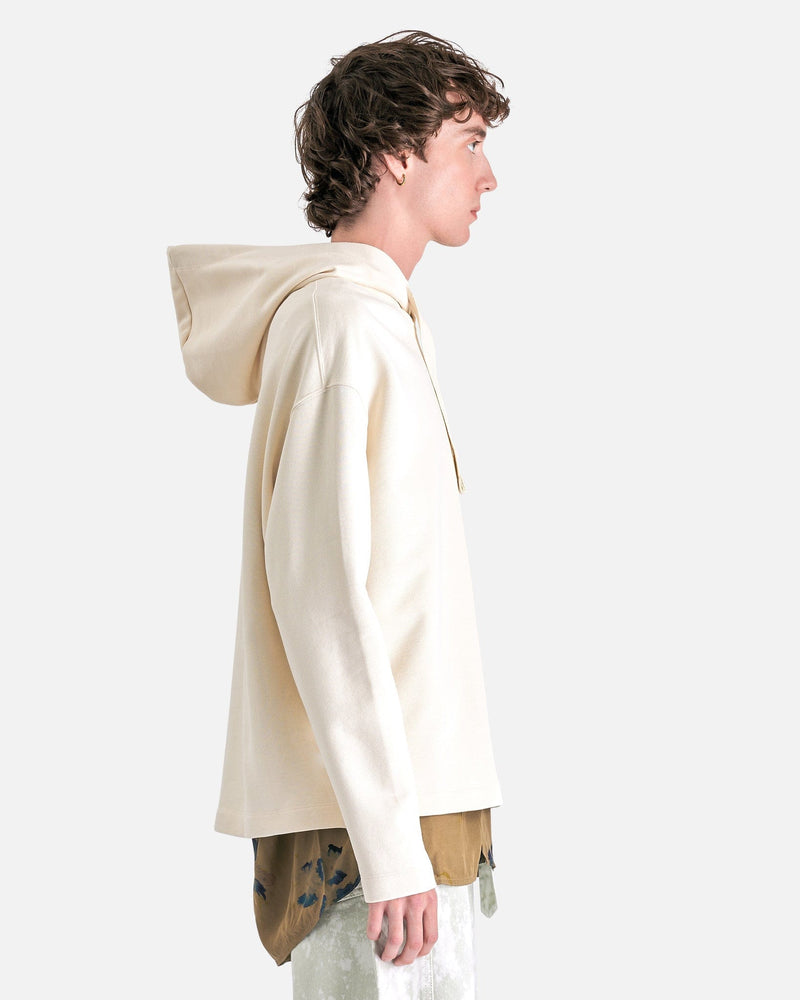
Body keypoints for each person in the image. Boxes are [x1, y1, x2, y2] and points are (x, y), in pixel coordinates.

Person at [166, 28, 510, 999]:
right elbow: (319, 594)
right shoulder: (338, 326)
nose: (489, 177)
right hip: (367, 834)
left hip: (414, 812)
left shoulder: (379, 322)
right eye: (470, 143)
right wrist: (392, 848)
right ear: (398, 153)